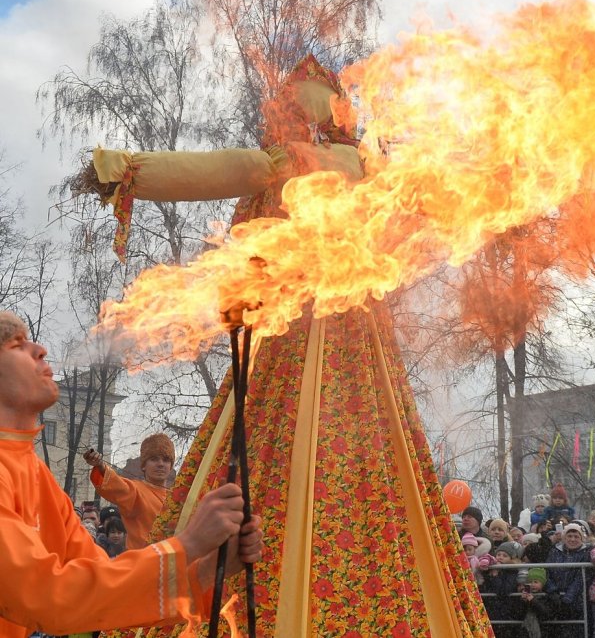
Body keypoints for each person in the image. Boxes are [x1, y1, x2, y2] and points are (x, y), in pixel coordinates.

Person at [90, 55, 492, 637]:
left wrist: (128, 170)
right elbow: (434, 192)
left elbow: (217, 170)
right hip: (335, 325)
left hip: (307, 325)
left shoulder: (293, 159)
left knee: (289, 432)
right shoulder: (363, 165)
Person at [0, 311, 263, 637]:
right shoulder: (136, 489)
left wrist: (207, 570)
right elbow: (43, 595)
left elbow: (100, 584)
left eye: (166, 460)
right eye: (16, 345)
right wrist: (189, 544)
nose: (40, 349)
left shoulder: (36, 473)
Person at [84, 432, 175, 550]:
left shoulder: (177, 497)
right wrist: (100, 465)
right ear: (143, 465)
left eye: (166, 460)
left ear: (171, 466)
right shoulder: (135, 490)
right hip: (142, 558)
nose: (161, 464)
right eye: (154, 459)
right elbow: (117, 484)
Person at [546, 523, 592, 638]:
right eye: (569, 536)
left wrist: (568, 597)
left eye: (576, 536)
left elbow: (581, 578)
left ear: (582, 538)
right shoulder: (554, 551)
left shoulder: (586, 553)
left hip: (577, 600)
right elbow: (547, 572)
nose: (572, 539)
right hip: (555, 599)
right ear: (564, 537)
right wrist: (552, 591)